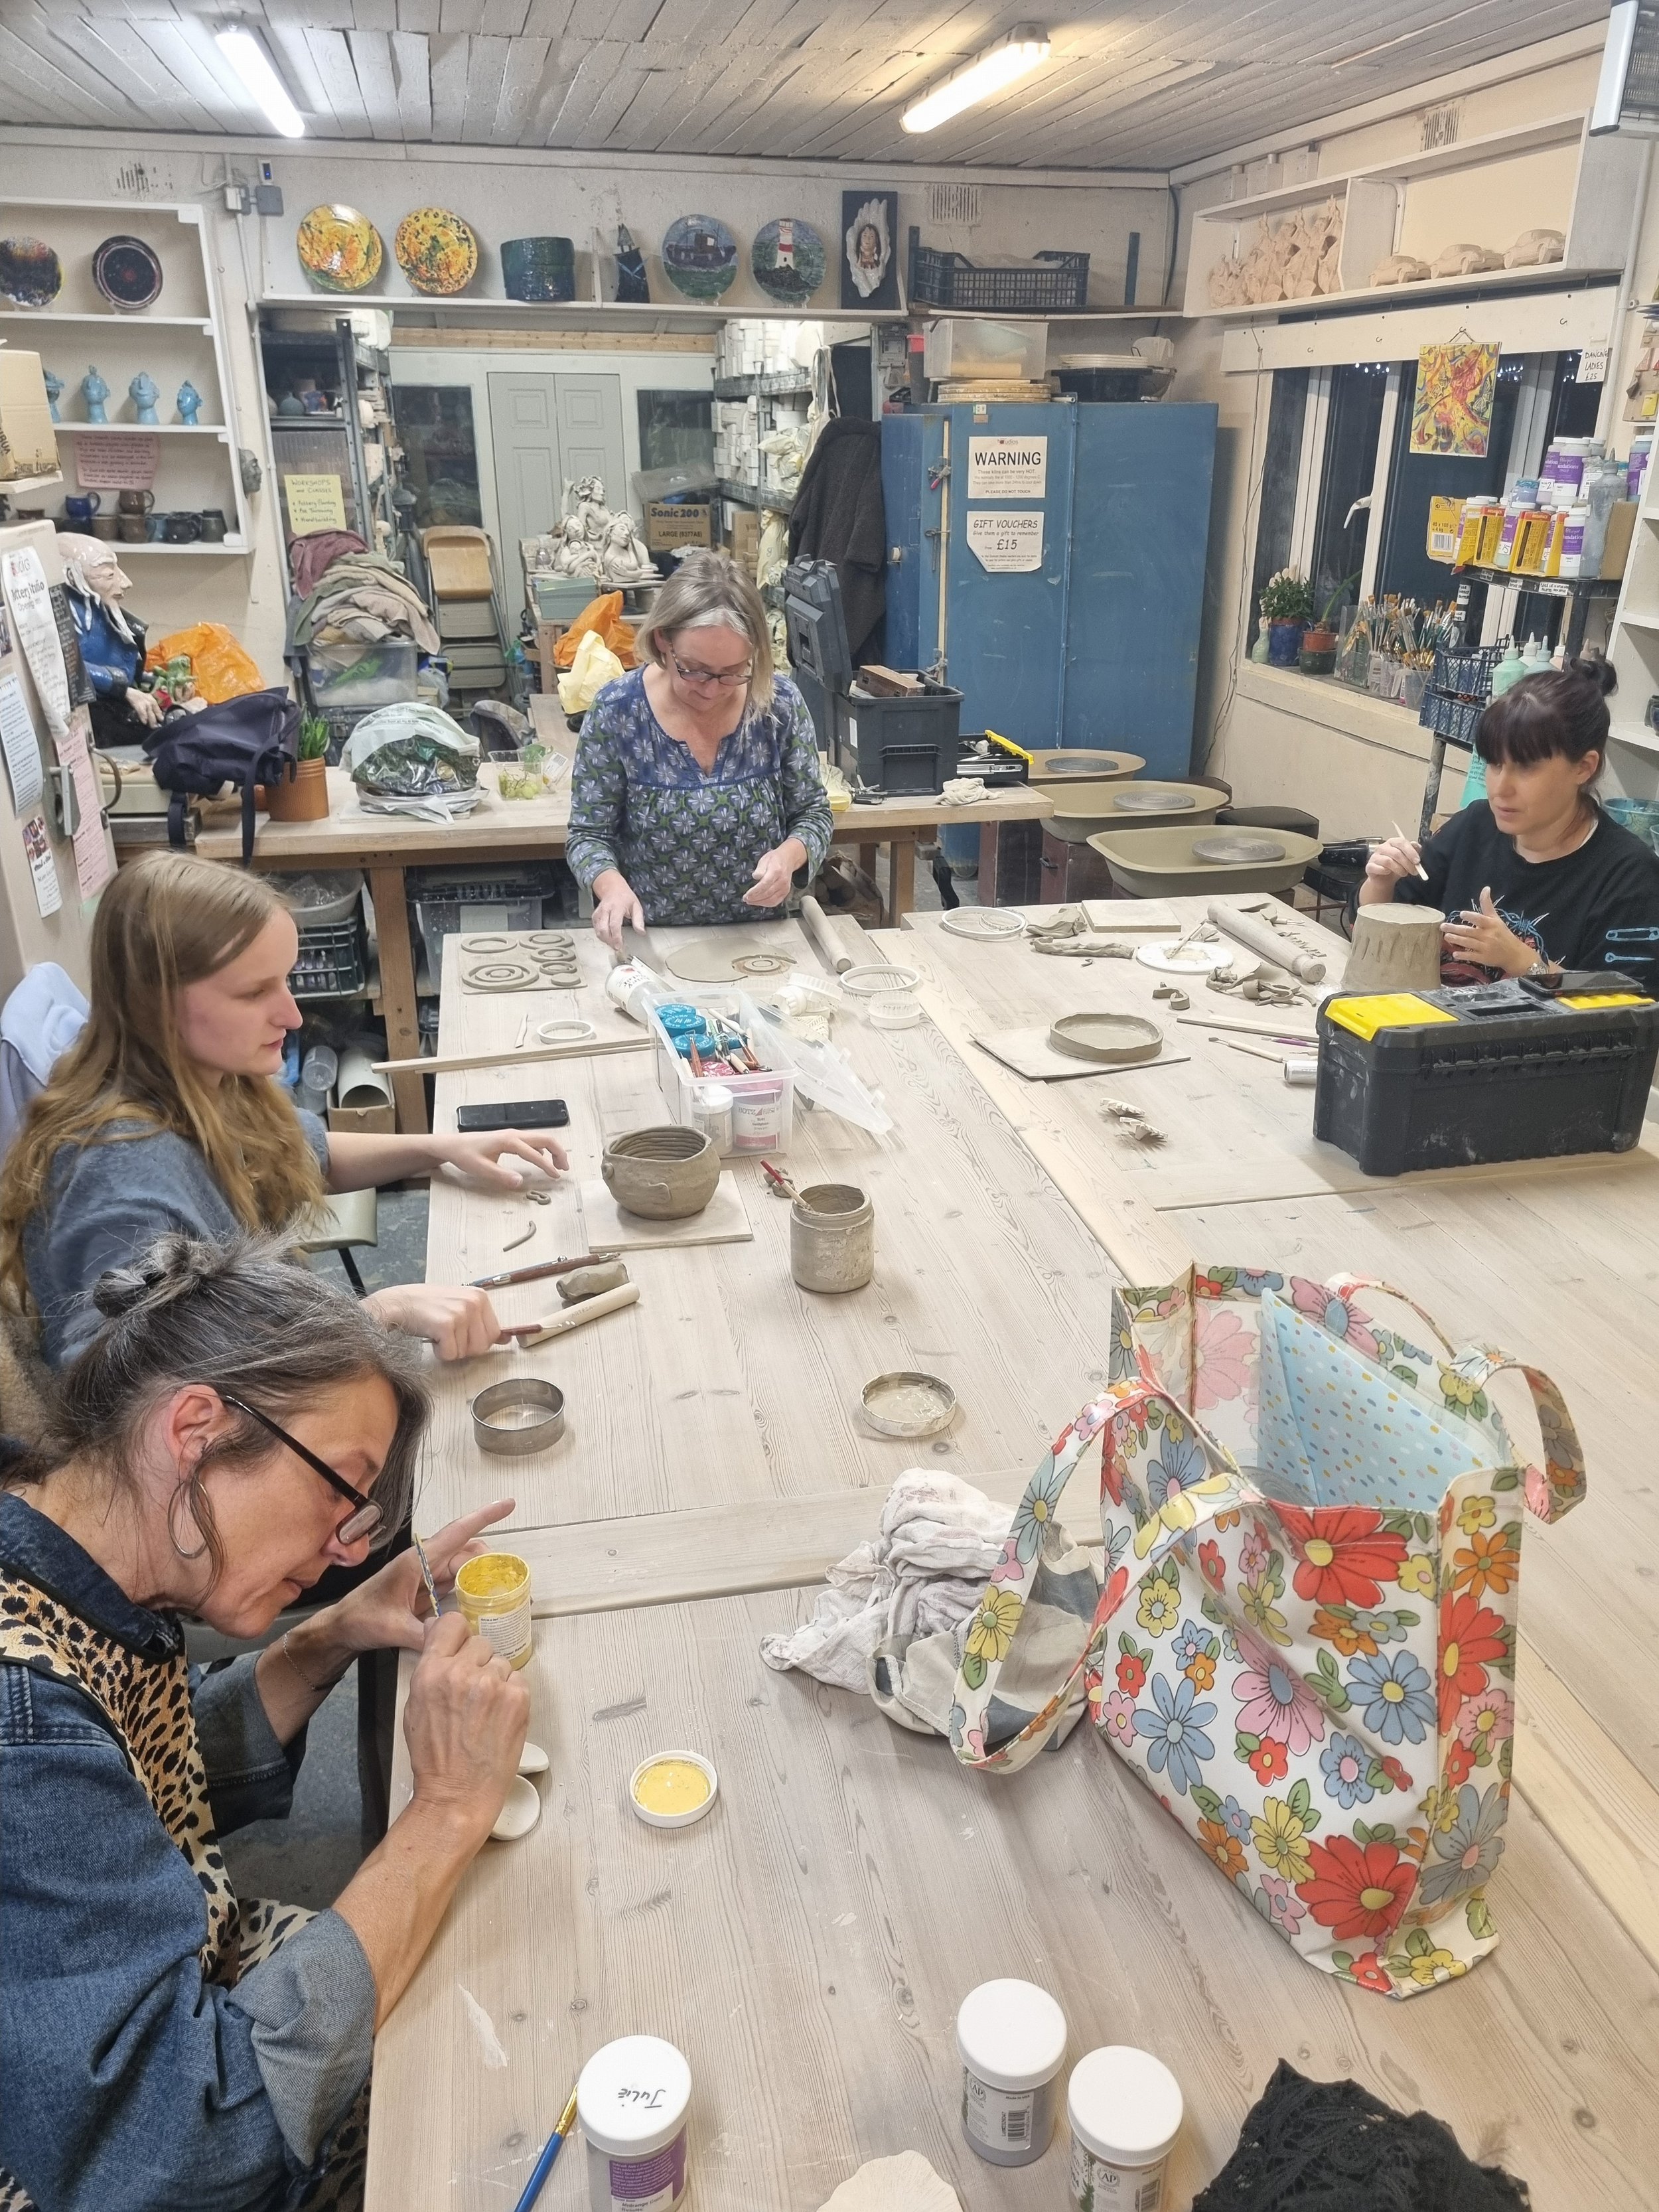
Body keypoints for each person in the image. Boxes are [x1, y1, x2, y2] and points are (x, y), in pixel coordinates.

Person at [0, 1232, 529, 2211]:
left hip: (174, 2016)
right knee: (490, 2080)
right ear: (196, 1426)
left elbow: (127, 1794)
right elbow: (182, 2147)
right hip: (126, 2146)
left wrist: (320, 1640)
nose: (341, 1548)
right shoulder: (21, 1723)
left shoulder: (66, 1547)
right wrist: (444, 1811)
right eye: (340, 1487)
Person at [0, 853, 567, 1372]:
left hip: (270, 1357)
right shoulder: (125, 1179)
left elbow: (307, 1149)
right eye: (254, 993)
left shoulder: (201, 1080)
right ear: (158, 999)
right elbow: (159, 1401)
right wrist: (379, 1313)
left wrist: (438, 1147)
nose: (293, 1016)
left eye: (288, 980)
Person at [567, 550, 833, 950]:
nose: (711, 689)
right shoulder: (618, 710)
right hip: (650, 941)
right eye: (694, 669)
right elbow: (588, 835)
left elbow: (813, 814)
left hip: (762, 941)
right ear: (663, 640)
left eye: (731, 672)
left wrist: (788, 859)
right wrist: (611, 887)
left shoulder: (777, 704)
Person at [1362, 656, 1659, 984]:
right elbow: (1378, 931)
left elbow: (1627, 1008)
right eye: (1494, 764)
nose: (1501, 789)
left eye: (1526, 767)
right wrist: (1381, 882)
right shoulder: (1475, 825)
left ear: (1584, 767)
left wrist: (1524, 962)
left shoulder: (1630, 876)